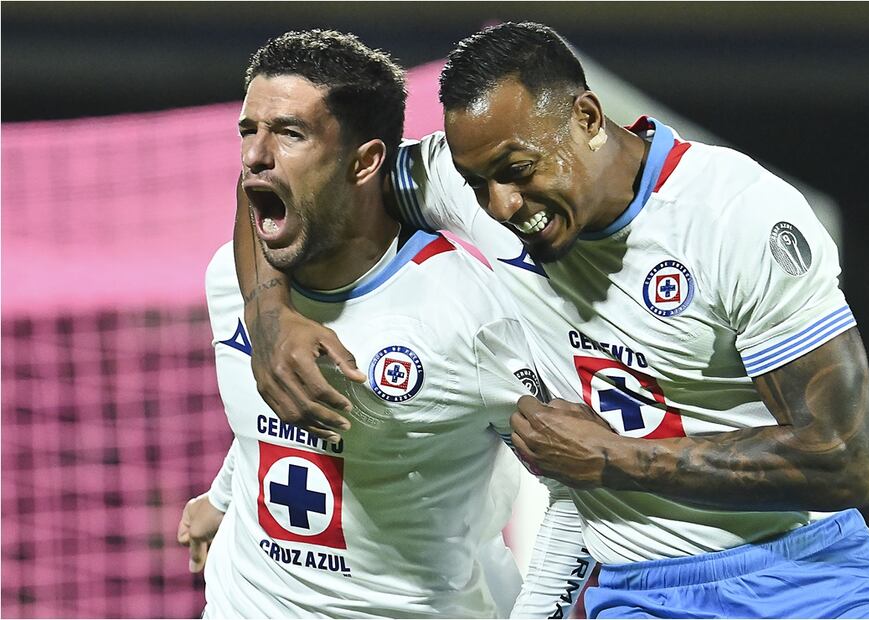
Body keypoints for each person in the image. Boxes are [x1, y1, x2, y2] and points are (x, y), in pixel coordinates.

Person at [235, 22, 869, 620]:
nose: (501, 205)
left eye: (518, 171)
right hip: (639, 592)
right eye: (478, 183)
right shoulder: (464, 181)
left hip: (804, 575)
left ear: (587, 117)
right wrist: (268, 314)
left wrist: (613, 458)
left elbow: (845, 459)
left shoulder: (734, 217)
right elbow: (287, 183)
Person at [176, 29, 594, 618]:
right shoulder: (233, 278)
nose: (253, 157)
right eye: (249, 131)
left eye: (290, 133)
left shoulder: (472, 317)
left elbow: (576, 491)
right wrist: (223, 498)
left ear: (366, 161)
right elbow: (274, 421)